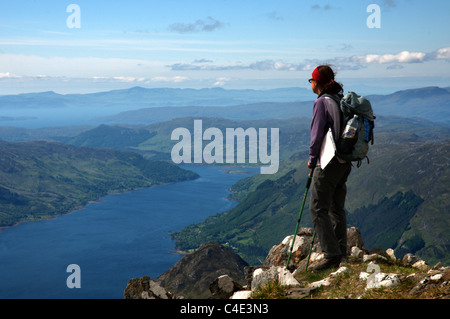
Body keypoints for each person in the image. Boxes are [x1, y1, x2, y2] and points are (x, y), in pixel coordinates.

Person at [307, 65, 352, 271]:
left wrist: (311, 160)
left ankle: (331, 255)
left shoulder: (321, 102)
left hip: (328, 163)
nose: (311, 83)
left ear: (317, 82)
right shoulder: (339, 100)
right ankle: (341, 252)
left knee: (317, 209)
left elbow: (316, 136)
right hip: (344, 162)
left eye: (311, 80)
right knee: (336, 208)